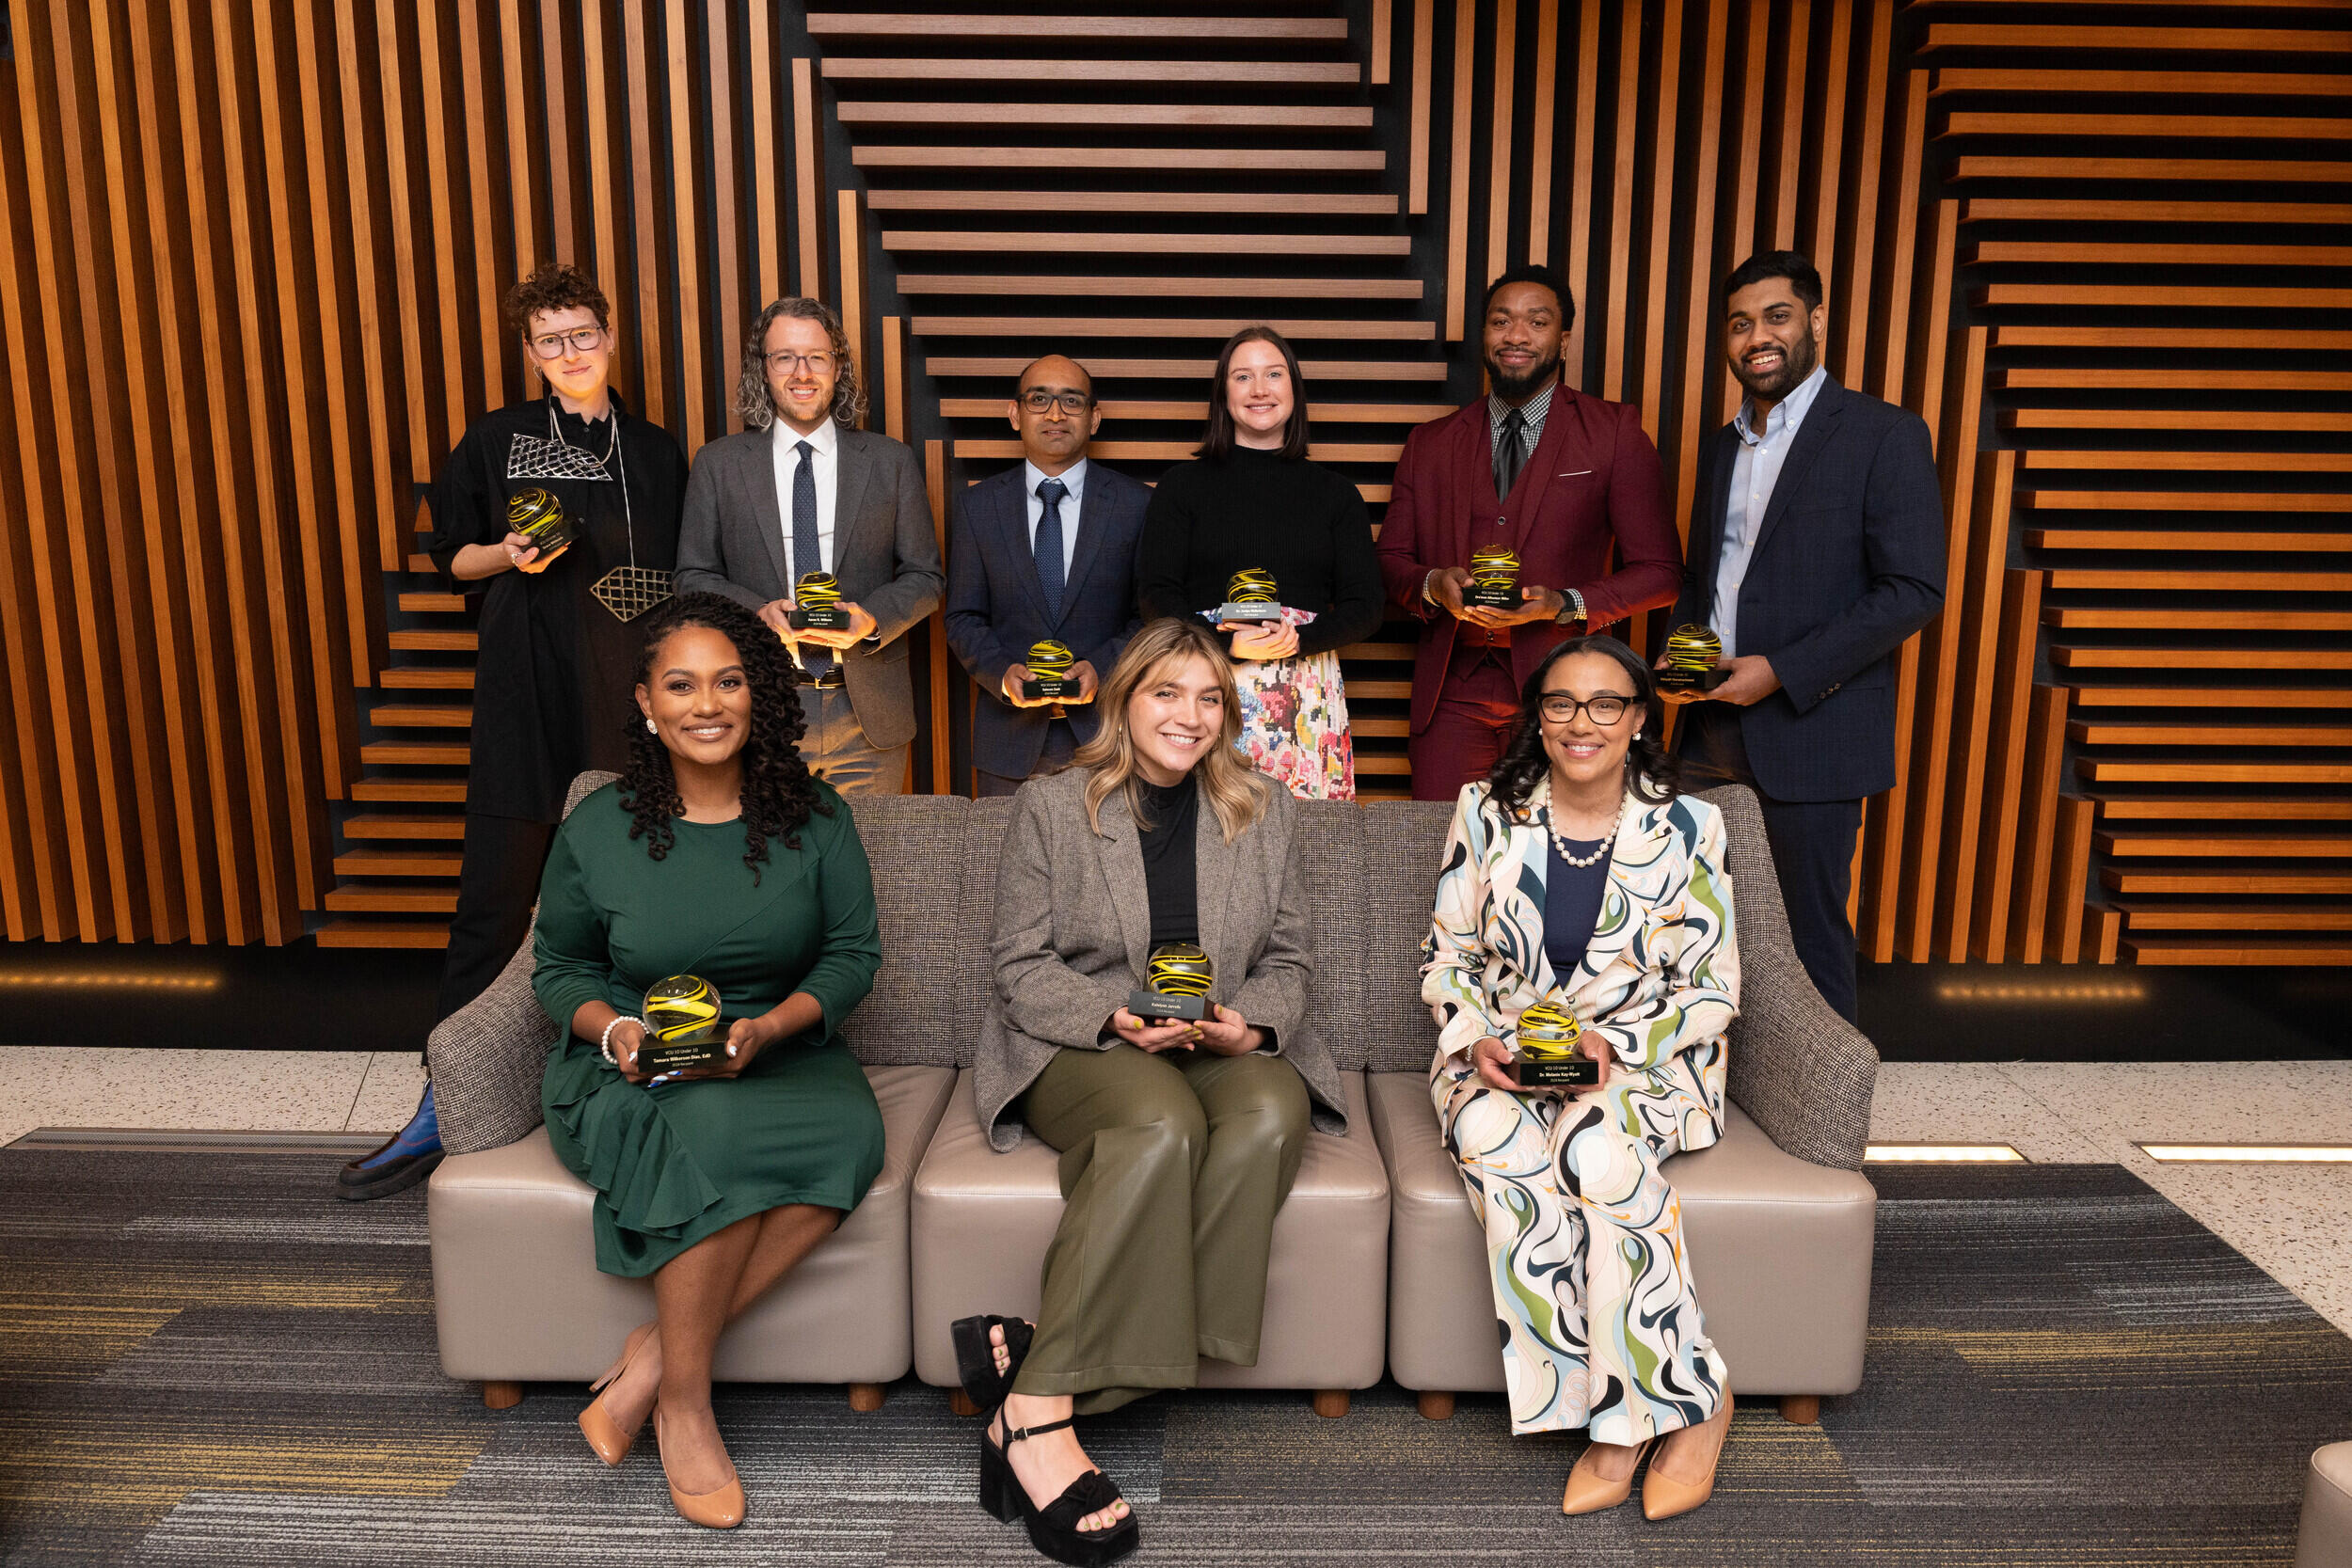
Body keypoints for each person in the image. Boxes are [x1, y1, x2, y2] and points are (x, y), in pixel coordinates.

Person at [958, 617, 1348, 1566]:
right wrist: (1115, 1017)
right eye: (1166, 692)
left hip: (1213, 1036)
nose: (1190, 714)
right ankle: (1040, 1413)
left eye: (1209, 696)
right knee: (1162, 1120)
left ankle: (1042, 1354)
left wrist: (1245, 1025)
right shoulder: (1053, 805)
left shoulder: (1265, 807)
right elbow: (1019, 964)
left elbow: (1291, 958)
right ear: (1124, 699)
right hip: (1080, 1038)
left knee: (1266, 1113)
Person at [535, 593, 885, 1529]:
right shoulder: (599, 824)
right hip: (633, 1060)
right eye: (680, 683)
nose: (706, 703)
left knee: (850, 1135)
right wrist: (612, 1030)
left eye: (728, 680)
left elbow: (852, 956)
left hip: (776, 1045)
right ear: (647, 701)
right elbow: (560, 966)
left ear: (757, 695)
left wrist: (770, 1029)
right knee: (711, 1129)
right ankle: (685, 1406)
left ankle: (651, 1360)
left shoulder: (816, 816)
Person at [340, 261, 687, 1202]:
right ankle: (442, 1104)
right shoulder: (494, 440)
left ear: (610, 337)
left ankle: (643, 1089)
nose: (569, 351)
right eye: (550, 339)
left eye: (583, 333)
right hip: (523, 703)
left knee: (640, 908)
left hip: (635, 712)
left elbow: (686, 580)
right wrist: (509, 552)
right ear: (528, 352)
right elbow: (451, 555)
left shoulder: (657, 452)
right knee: (492, 908)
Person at [1423, 634, 1739, 1521]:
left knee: (1597, 1152)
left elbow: (1714, 988)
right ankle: (1637, 1398)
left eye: (1607, 703)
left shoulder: (1691, 826)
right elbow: (1445, 956)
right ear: (1538, 716)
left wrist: (1617, 1050)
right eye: (1561, 702)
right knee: (1494, 1140)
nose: (1581, 722)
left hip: (1645, 1060)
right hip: (1505, 1056)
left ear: (1639, 719)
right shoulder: (1486, 809)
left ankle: (1658, 1412)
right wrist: (1476, 1037)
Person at [1662, 250, 1944, 1022]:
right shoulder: (1723, 446)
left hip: (1814, 728)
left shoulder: (1884, 434)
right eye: (1741, 322)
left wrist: (1781, 671)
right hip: (1707, 726)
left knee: (1808, 937)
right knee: (1692, 926)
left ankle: (1821, 1134)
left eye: (1776, 317)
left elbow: (1913, 589)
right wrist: (1680, 658)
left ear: (1816, 322)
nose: (1758, 336)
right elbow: (1710, 575)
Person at [1375, 264, 1682, 801]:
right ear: (1485, 336)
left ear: (1562, 341)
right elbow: (1390, 560)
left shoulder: (1613, 432)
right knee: (1446, 859)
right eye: (1501, 321)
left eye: (1535, 323)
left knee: (1554, 863)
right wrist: (1432, 586)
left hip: (1569, 696)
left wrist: (1565, 602)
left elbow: (1661, 574)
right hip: (1451, 694)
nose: (1515, 335)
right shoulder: (1431, 443)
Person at [675, 297, 945, 795]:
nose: (802, 372)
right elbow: (692, 577)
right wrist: (757, 613)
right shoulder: (718, 464)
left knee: (867, 869)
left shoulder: (890, 462)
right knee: (764, 867)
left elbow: (924, 577)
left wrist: (871, 621)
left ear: (837, 367)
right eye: (785, 357)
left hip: (868, 717)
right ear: (764, 369)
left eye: (816, 357)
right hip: (759, 706)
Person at [1136, 326, 1382, 800]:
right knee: (1206, 841)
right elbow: (1155, 594)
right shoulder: (1182, 486)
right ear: (1223, 394)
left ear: (1294, 389)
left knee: (1308, 848)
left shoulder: (1336, 493)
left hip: (1305, 688)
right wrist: (1222, 646)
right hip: (1206, 685)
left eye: (1274, 374)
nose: (1259, 389)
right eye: (1242, 377)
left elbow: (1367, 605)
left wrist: (1299, 640)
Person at [945, 355, 1150, 795]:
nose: (1055, 413)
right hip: (1009, 742)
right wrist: (1003, 673)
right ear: (1015, 414)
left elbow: (1149, 618)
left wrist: (1103, 669)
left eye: (1071, 401)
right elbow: (963, 617)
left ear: (1094, 418)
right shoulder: (977, 507)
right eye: (1040, 399)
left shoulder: (1137, 505)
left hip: (1111, 738)